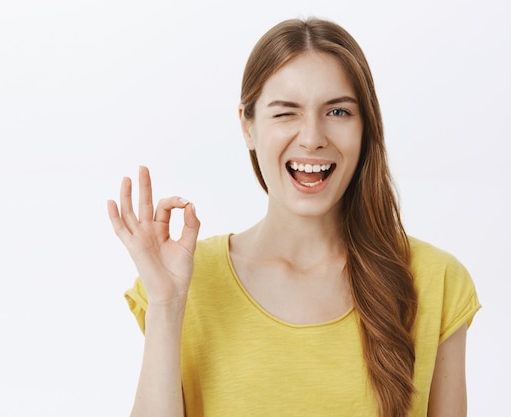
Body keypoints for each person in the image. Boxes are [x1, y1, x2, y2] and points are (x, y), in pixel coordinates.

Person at [107, 18, 480, 417]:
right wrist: (166, 304)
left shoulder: (435, 281)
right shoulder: (185, 281)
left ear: (366, 125)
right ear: (247, 127)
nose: (312, 136)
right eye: (286, 113)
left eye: (338, 111)